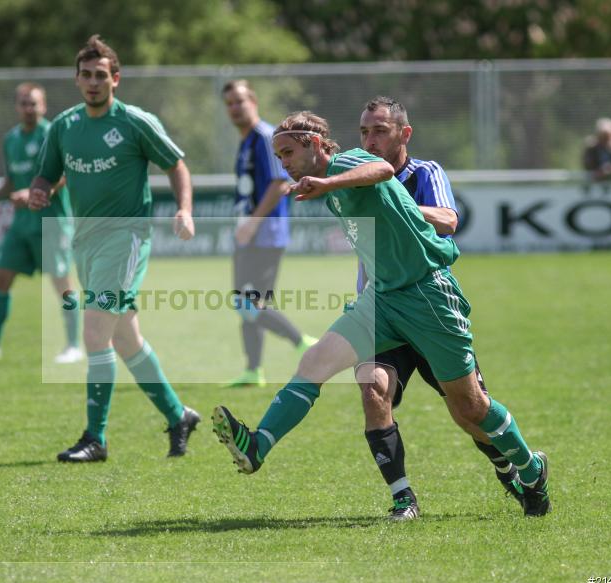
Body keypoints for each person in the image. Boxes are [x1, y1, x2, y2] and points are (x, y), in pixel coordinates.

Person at [212, 111, 551, 518]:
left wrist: (328, 181)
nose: (282, 161)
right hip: (382, 298)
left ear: (315, 144)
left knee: (471, 407)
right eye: (278, 154)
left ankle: (531, 469)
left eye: (288, 151)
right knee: (315, 362)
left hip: (427, 295)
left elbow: (380, 169)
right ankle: (258, 445)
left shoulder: (347, 163)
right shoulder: (321, 183)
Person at [27, 35, 200, 461]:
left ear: (115, 79)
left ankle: (95, 438)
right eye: (85, 75)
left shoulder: (135, 122)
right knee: (126, 340)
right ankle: (178, 416)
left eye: (100, 75)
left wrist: (184, 209)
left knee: (93, 333)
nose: (92, 82)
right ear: (76, 79)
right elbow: (45, 176)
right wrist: (39, 191)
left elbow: (176, 164)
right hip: (85, 240)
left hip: (126, 240)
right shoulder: (64, 127)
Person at [355, 96, 524, 520]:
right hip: (384, 311)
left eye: (379, 131)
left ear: (404, 134)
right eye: (364, 132)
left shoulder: (424, 173)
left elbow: (449, 221)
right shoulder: (356, 177)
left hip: (429, 310)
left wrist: (395, 202)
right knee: (373, 391)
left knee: (469, 414)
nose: (370, 140)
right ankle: (403, 498)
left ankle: (512, 468)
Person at [0, 82, 82, 364]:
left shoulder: (53, 133)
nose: (29, 108)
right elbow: (11, 178)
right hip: (22, 224)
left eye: (34, 103)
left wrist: (34, 193)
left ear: (44, 106)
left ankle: (74, 344)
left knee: (62, 285)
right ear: (17, 107)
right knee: (1, 277)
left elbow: (66, 174)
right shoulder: (11, 139)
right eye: (24, 103)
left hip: (52, 221)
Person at [221, 79, 316, 388]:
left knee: (250, 303)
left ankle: (302, 342)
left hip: (265, 233)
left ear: (254, 102)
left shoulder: (264, 136)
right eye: (230, 103)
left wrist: (252, 223)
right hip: (249, 233)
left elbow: (279, 184)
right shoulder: (246, 140)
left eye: (240, 101)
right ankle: (253, 370)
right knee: (244, 301)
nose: (235, 108)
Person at [582, 118, 611, 182]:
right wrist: (598, 170)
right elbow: (587, 163)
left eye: (608, 136)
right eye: (602, 136)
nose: (605, 139)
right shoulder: (591, 148)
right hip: (596, 182)